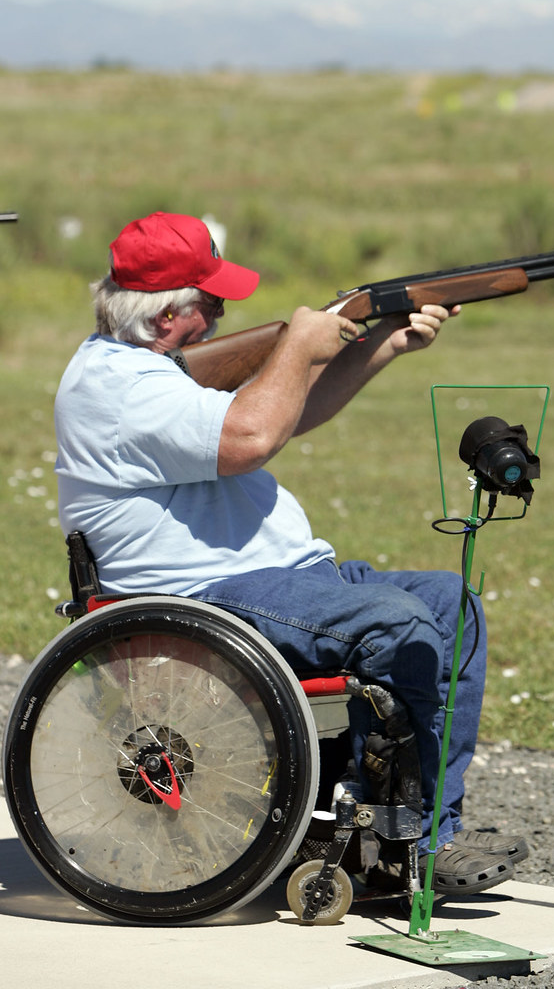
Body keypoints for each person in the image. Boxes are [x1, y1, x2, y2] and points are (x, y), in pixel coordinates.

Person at [54, 211, 527, 895]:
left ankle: (417, 832)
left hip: (275, 580)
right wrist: (301, 344)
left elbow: (287, 413)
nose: (223, 308)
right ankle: (401, 836)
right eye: (208, 300)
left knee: (449, 603)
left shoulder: (147, 368)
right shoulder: (122, 388)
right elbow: (251, 436)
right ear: (162, 320)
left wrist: (382, 345)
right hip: (210, 594)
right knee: (397, 626)